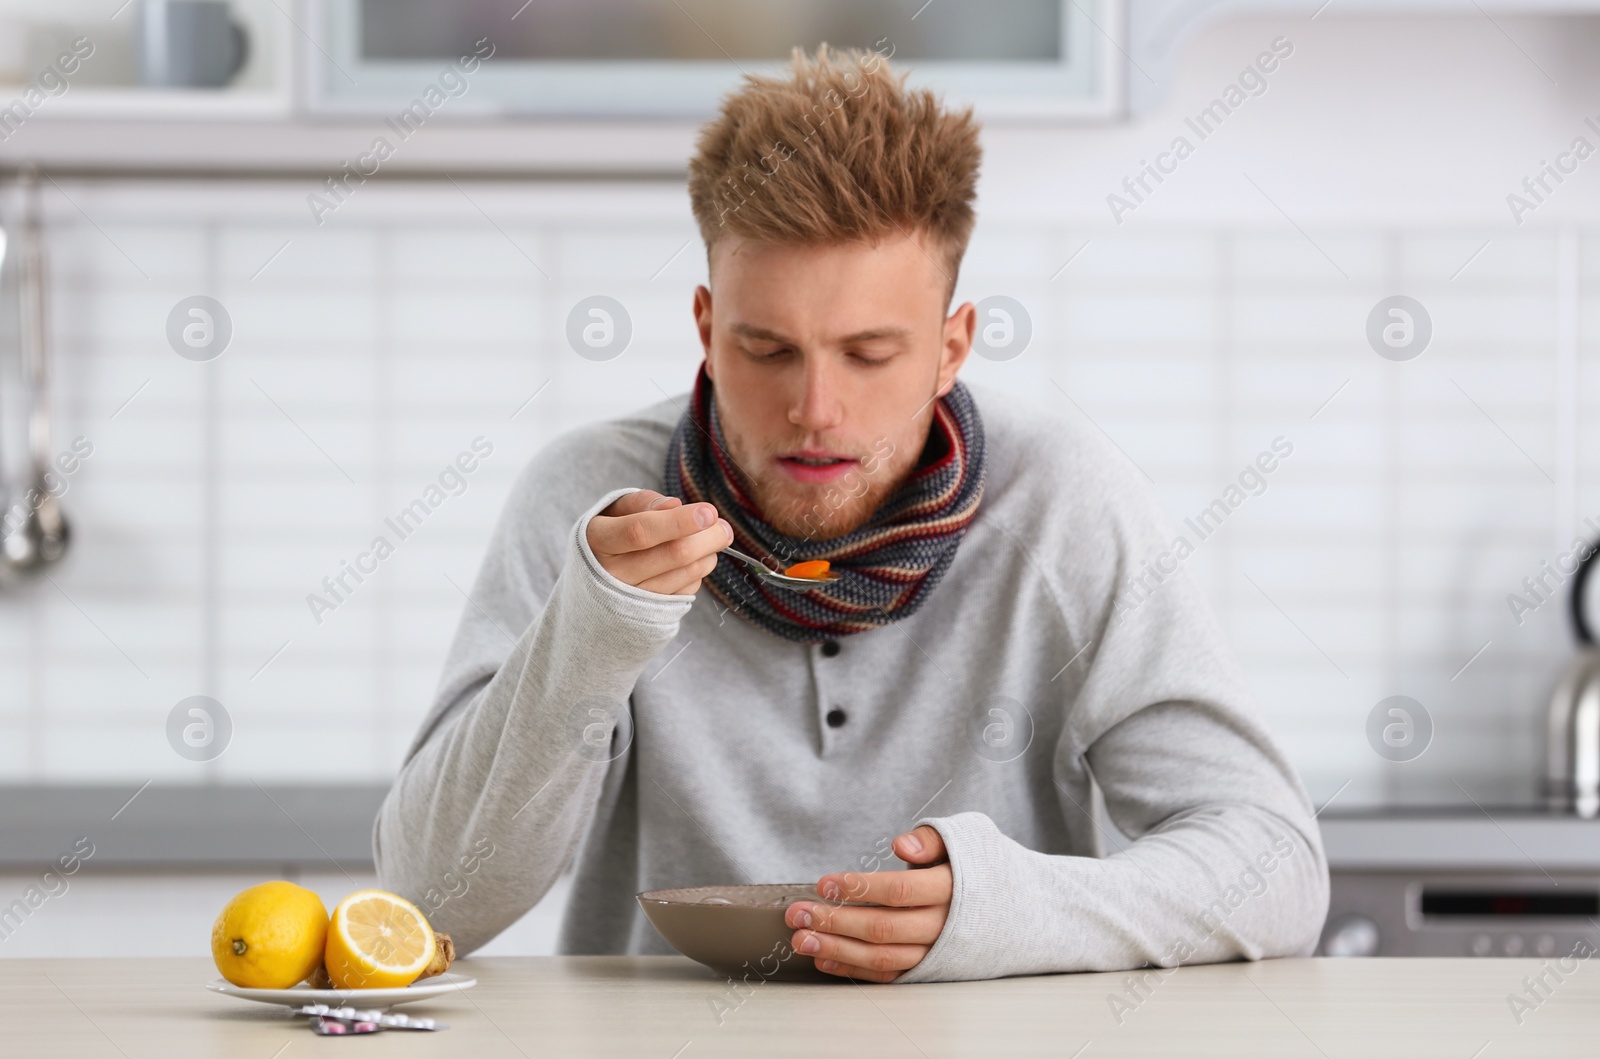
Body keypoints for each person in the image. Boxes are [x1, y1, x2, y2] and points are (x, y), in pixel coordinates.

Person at [375, 45, 1329, 984]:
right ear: (707, 328)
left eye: (869, 354)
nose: (815, 410)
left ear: (952, 346)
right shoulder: (589, 503)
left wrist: (1009, 910)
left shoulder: (1065, 502)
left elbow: (1274, 861)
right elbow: (430, 903)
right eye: (766, 349)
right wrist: (593, 631)